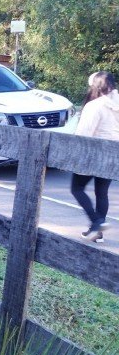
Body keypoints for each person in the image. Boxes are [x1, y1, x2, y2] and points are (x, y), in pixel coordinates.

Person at [71, 71, 119, 243]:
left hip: (93, 153)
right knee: (102, 192)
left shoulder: (94, 106)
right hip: (113, 153)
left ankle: (97, 222)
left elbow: (84, 134)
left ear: (95, 86)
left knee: (76, 188)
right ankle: (97, 233)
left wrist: (73, 156)